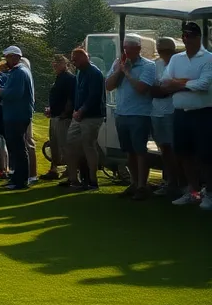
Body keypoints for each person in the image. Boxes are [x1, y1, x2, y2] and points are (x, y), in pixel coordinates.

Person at [160, 21, 212, 208]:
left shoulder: (208, 58)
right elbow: (164, 82)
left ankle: (210, 194)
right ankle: (194, 192)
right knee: (184, 154)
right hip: (181, 114)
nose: (186, 39)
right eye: (184, 36)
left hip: (203, 114)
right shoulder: (176, 59)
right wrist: (188, 83)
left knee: (205, 156)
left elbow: (203, 85)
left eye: (190, 36)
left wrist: (179, 84)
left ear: (198, 37)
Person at [106, 33, 158, 200]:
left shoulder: (148, 66)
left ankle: (143, 185)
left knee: (140, 151)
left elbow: (142, 88)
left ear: (138, 49)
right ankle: (134, 183)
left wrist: (127, 73)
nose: (126, 51)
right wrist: (119, 72)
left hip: (140, 114)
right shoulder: (118, 64)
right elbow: (108, 86)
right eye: (124, 48)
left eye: (129, 48)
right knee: (129, 151)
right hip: (122, 113)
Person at [63, 47, 105, 191]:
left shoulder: (95, 73)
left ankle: (93, 181)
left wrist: (81, 110)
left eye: (76, 59)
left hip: (92, 116)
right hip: (79, 115)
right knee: (70, 144)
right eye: (73, 59)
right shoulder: (80, 73)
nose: (74, 62)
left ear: (85, 57)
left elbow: (94, 96)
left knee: (88, 145)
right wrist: (75, 109)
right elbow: (78, 94)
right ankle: (74, 179)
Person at [0, 46, 34, 190]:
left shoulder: (19, 72)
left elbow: (15, 93)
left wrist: (0, 91)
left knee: (18, 148)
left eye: (8, 57)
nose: (6, 60)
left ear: (14, 57)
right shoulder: (19, 71)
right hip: (15, 114)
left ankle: (21, 180)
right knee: (16, 148)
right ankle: (16, 177)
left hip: (17, 115)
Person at [150, 37, 181, 198]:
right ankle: (170, 182)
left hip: (173, 111)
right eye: (160, 49)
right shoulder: (156, 64)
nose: (162, 53)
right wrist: (163, 89)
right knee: (164, 149)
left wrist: (164, 89)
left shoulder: (179, 63)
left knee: (176, 149)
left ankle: (181, 183)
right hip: (156, 111)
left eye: (164, 50)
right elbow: (152, 87)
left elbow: (175, 87)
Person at [42, 54, 76, 181]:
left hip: (63, 118)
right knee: (54, 145)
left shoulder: (69, 78)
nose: (54, 64)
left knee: (65, 145)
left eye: (58, 62)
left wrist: (65, 113)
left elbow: (70, 98)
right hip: (56, 115)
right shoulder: (59, 77)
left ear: (65, 64)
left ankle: (70, 171)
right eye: (54, 62)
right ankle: (54, 169)